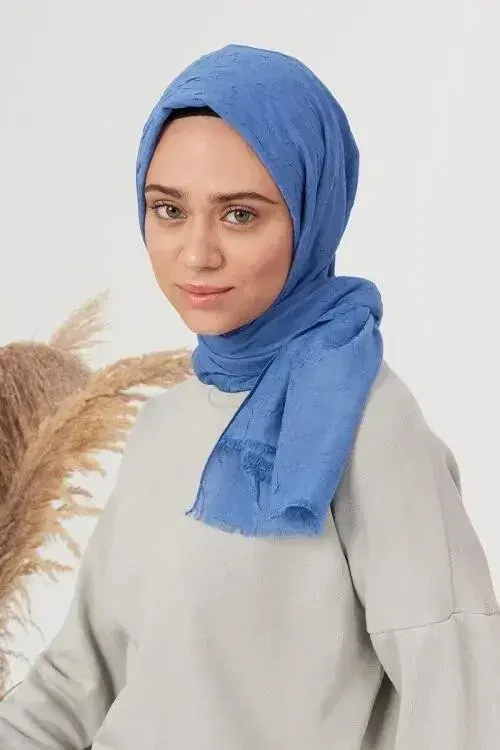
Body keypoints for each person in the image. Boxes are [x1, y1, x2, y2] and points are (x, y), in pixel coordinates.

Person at [0, 42, 499, 749]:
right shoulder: (165, 422)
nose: (196, 254)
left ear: (312, 211)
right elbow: (77, 680)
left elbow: (457, 688)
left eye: (240, 215)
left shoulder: (367, 422)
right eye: (168, 209)